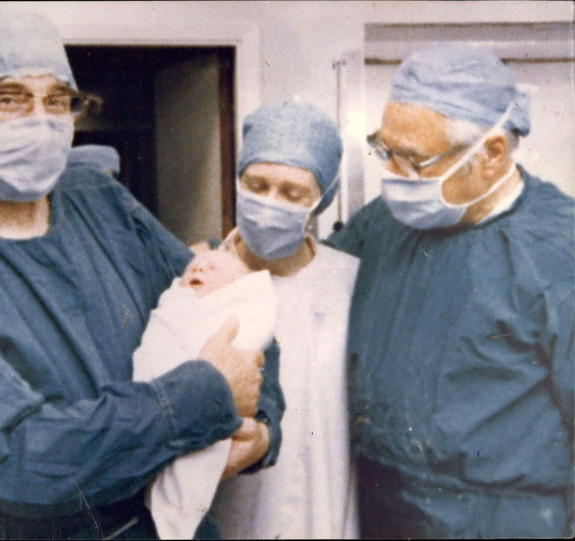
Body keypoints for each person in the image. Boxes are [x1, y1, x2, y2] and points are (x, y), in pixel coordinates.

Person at [0, 7, 283, 540]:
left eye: (57, 100)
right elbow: (21, 459)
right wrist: (206, 395)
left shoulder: (100, 203)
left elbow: (232, 310)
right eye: (10, 98)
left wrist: (261, 431)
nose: (39, 119)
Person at [327, 45, 574, 538]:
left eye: (414, 161)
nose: (392, 175)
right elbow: (313, 280)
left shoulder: (557, 253)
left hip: (502, 520)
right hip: (381, 506)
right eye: (386, 151)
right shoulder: (384, 223)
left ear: (492, 153)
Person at [210, 100, 361, 539]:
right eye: (257, 184)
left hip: (330, 512)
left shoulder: (351, 283)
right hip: (232, 513)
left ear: (322, 199)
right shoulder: (201, 282)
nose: (270, 202)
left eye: (293, 193)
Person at [134, 249, 277, 539]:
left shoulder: (235, 316)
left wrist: (264, 434)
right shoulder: (175, 306)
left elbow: (250, 366)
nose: (198, 269)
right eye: (193, 266)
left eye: (212, 267)